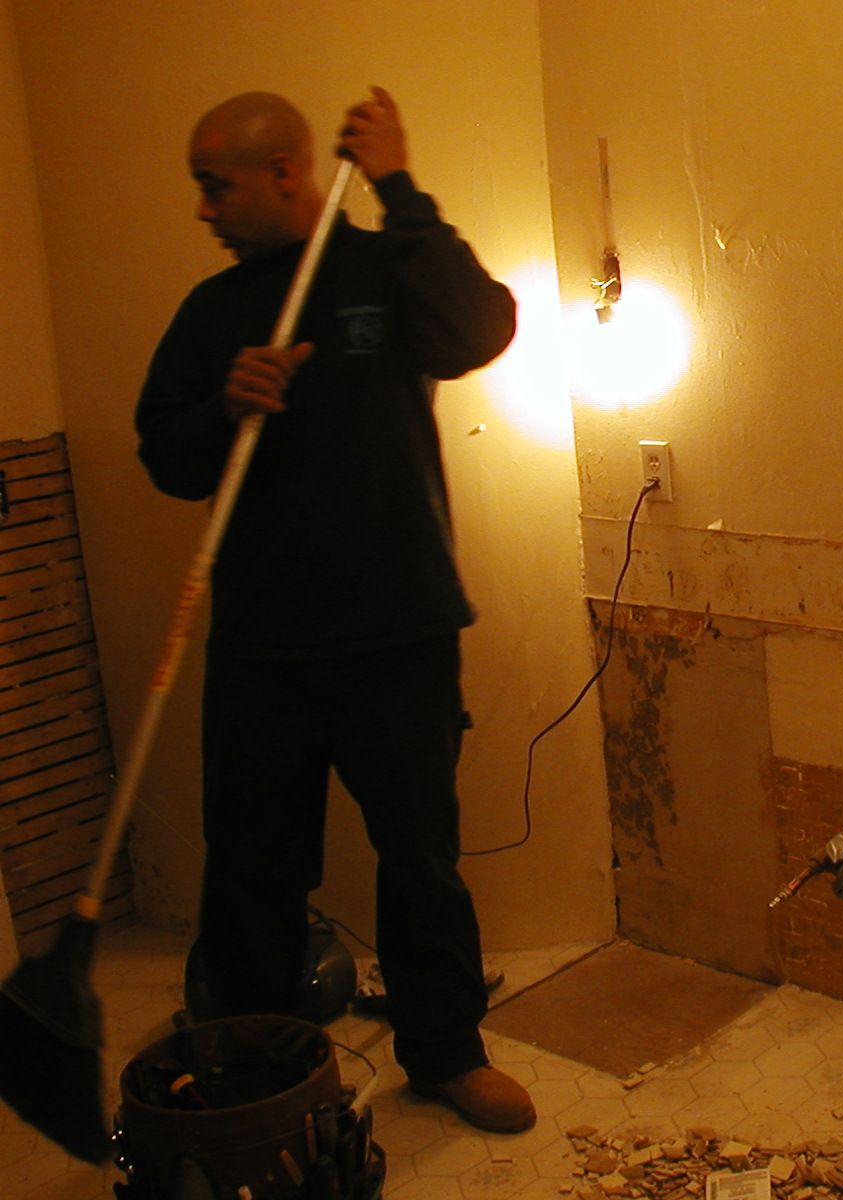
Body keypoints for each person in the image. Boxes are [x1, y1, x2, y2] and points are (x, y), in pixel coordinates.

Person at [134, 87, 534, 1134]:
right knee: (254, 872)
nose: (204, 209)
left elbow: (478, 328)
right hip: (264, 643)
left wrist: (400, 186)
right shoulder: (212, 314)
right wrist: (227, 404)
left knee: (420, 859)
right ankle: (263, 1074)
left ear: (284, 172)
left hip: (398, 628)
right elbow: (162, 455)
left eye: (214, 185)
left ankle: (445, 1054)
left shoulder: (383, 270)